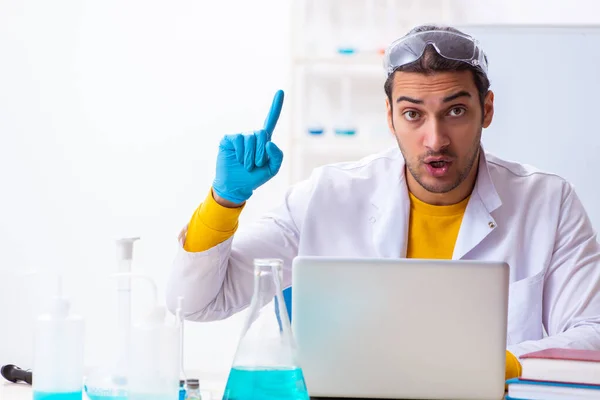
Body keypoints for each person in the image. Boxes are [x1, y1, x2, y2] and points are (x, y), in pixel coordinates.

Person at [166, 25, 600, 381]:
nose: (435, 140)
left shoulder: (548, 201)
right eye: (413, 114)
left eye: (455, 111)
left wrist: (487, 365)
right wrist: (224, 202)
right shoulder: (326, 196)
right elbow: (197, 302)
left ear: (486, 110)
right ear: (389, 115)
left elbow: (592, 334)